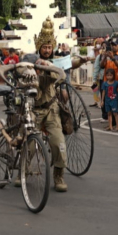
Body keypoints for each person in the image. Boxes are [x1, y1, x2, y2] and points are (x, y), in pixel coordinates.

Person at [30, 16, 85, 192]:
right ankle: (22, 171)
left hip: (52, 108)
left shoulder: (56, 62)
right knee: (29, 144)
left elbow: (69, 65)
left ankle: (59, 176)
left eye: (49, 47)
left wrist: (82, 61)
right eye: (44, 47)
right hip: (34, 108)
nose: (47, 50)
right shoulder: (31, 61)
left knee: (59, 144)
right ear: (39, 47)